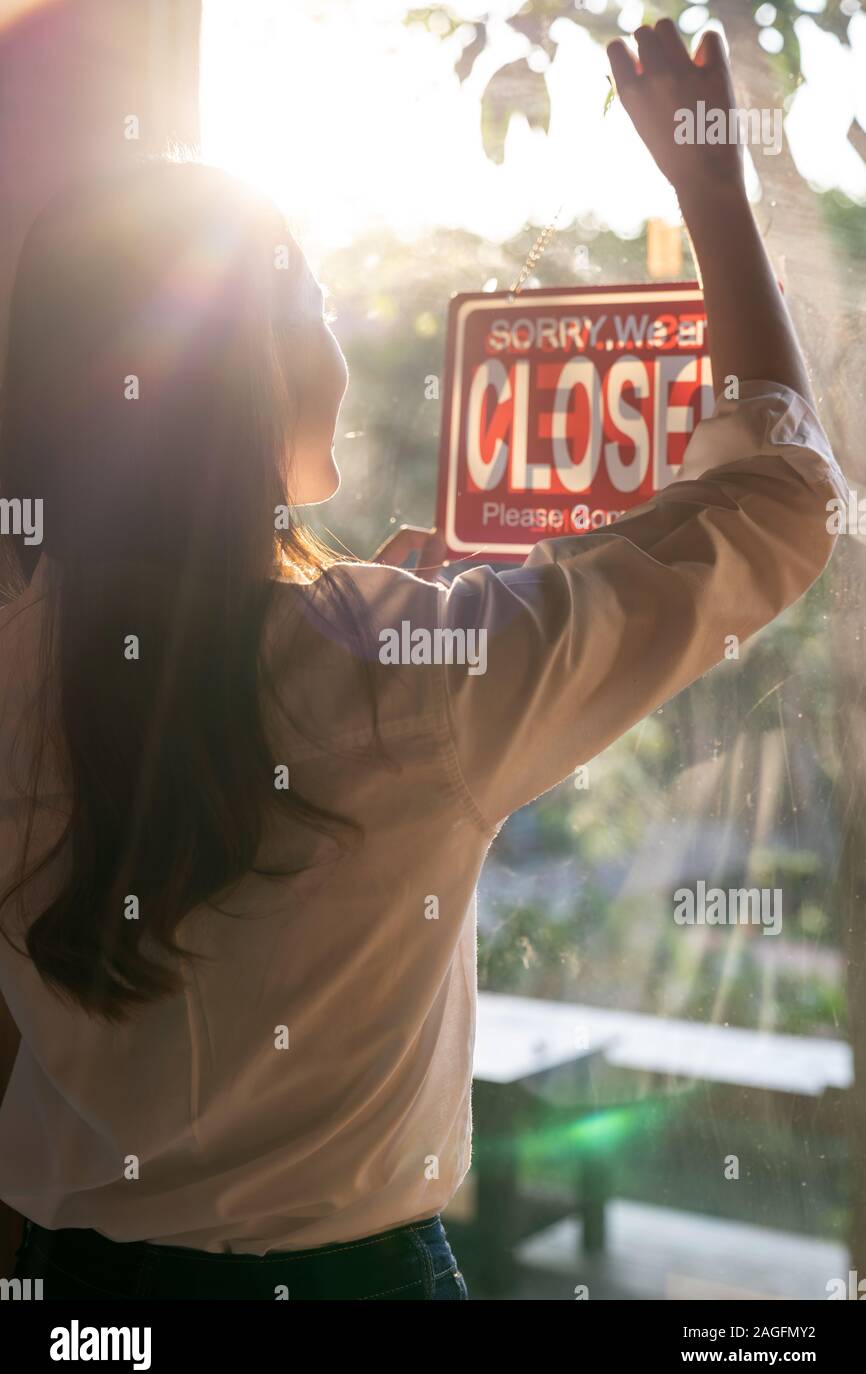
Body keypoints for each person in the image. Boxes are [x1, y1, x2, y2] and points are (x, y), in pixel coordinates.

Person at [0, 20, 846, 1299]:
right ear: (257, 372)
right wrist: (712, 196)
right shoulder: (415, 678)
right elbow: (782, 505)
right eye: (321, 306)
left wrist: (357, 613)